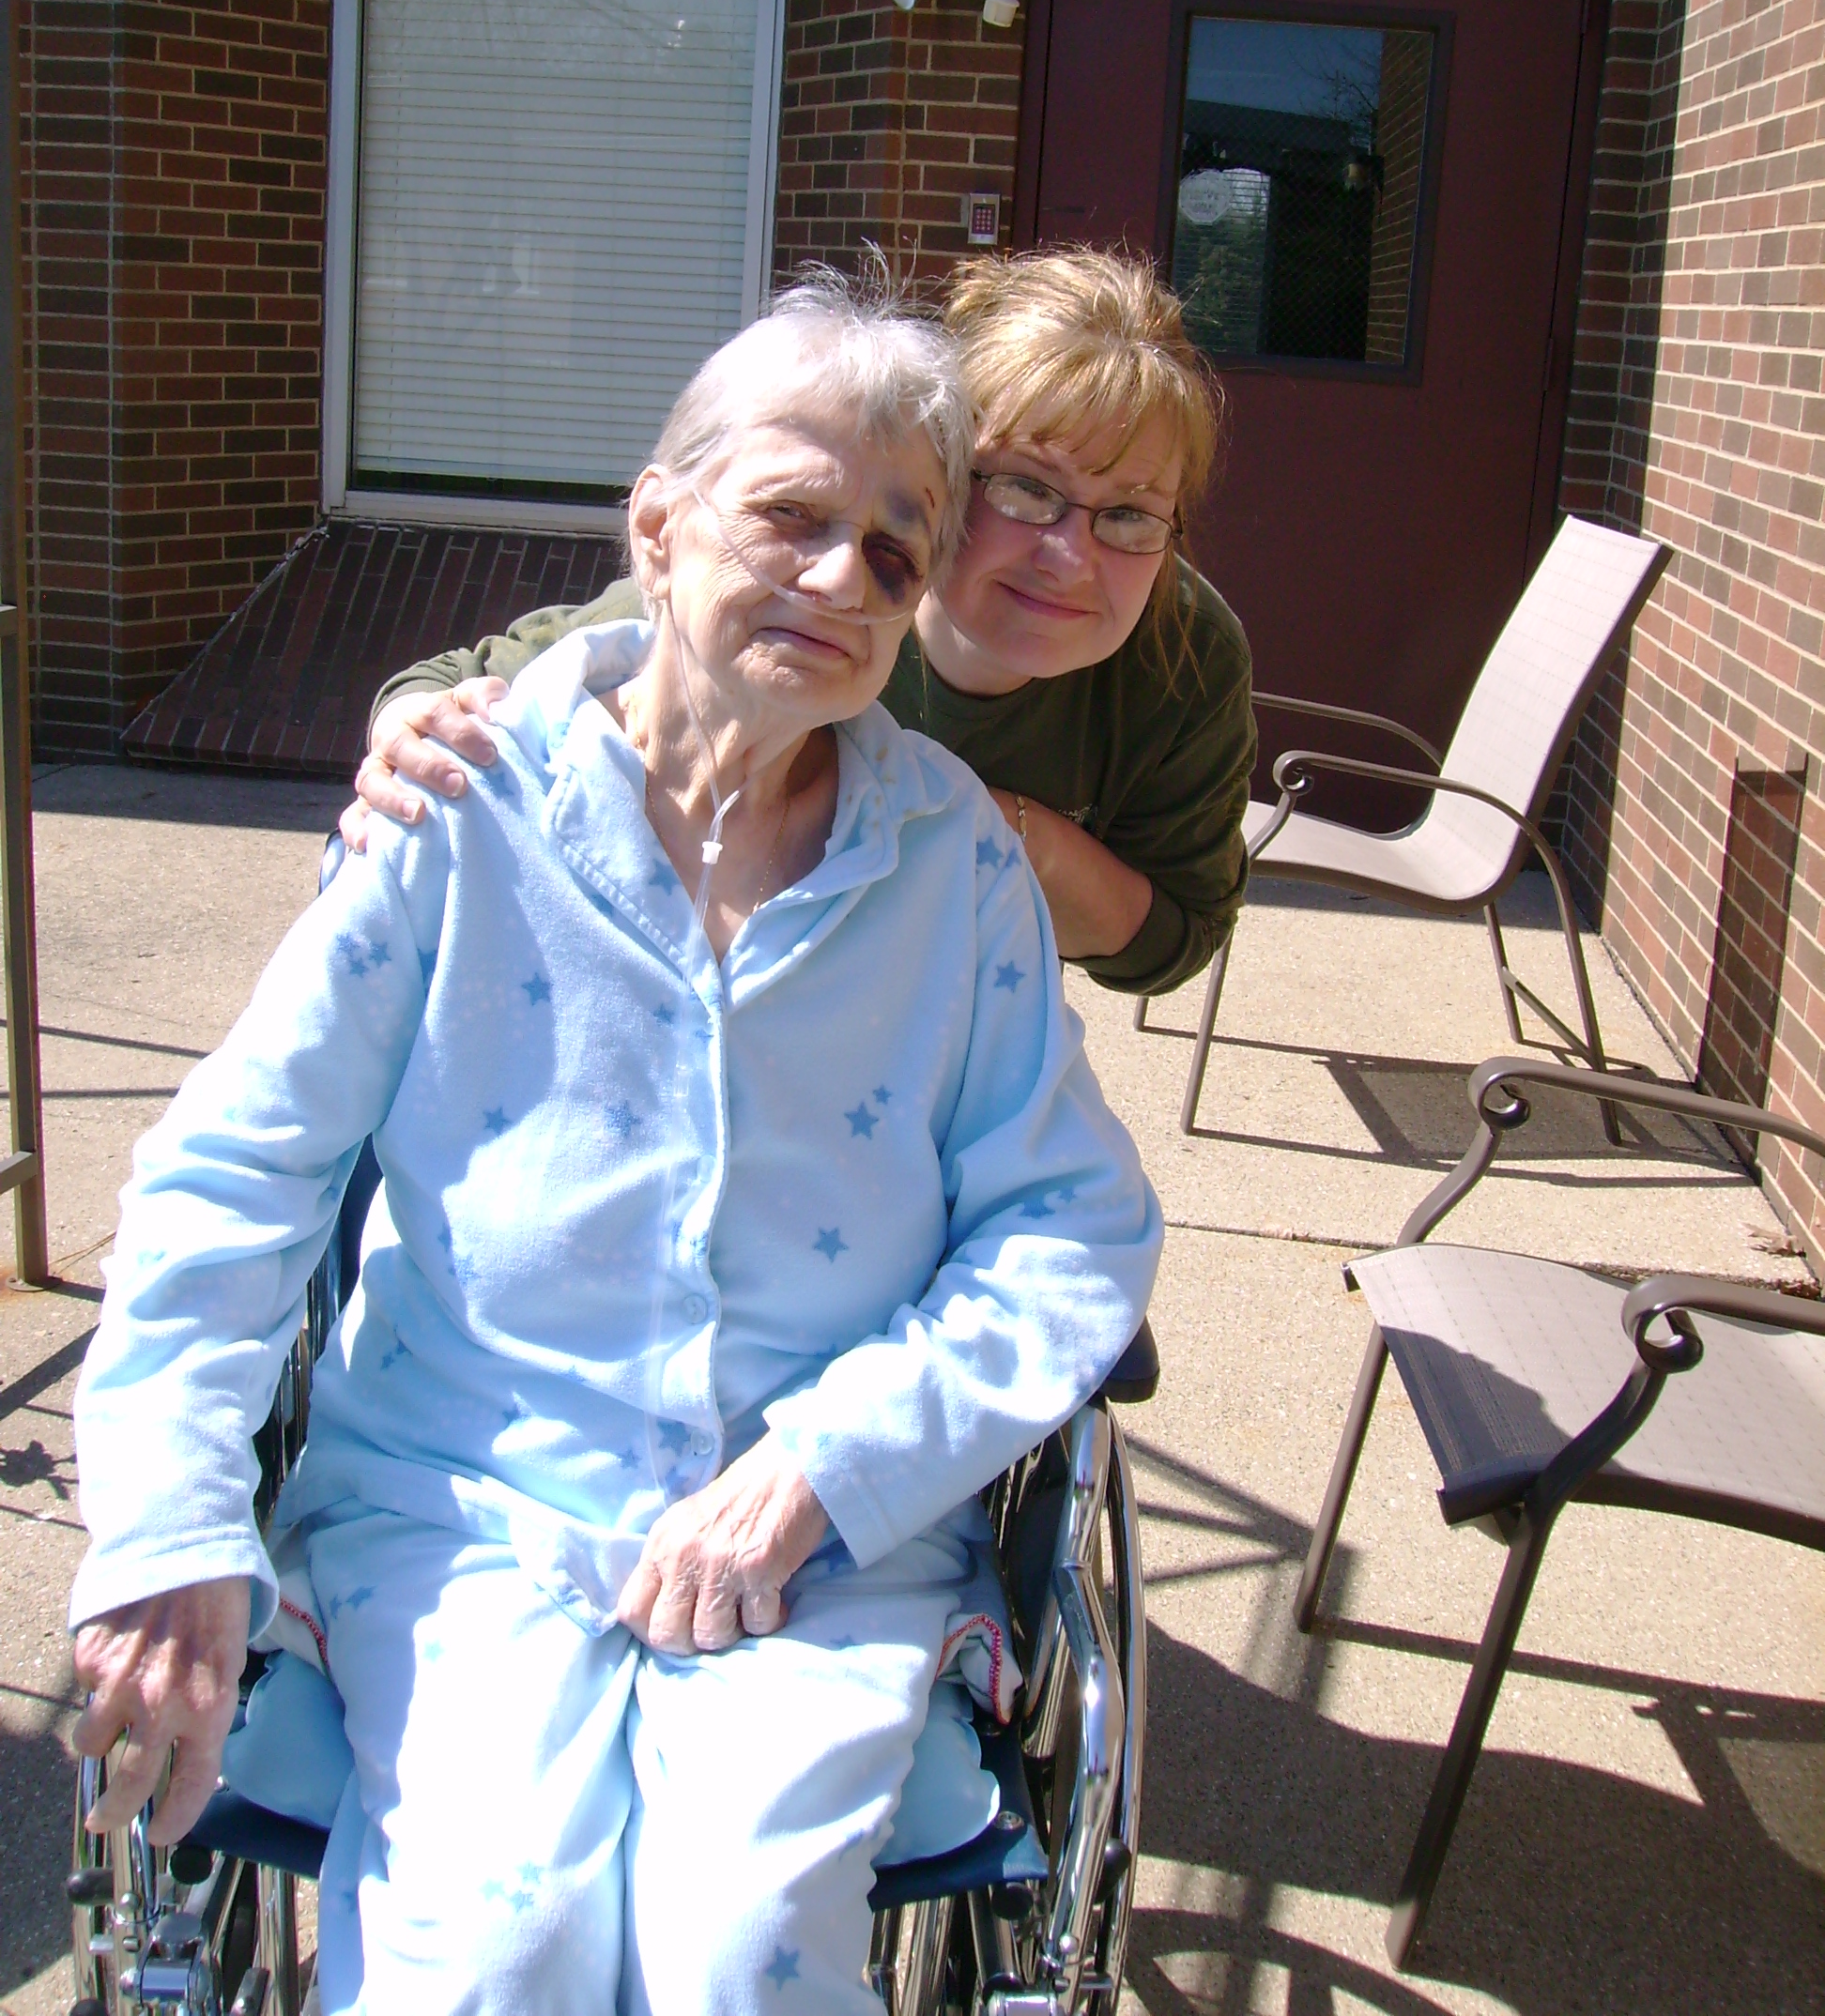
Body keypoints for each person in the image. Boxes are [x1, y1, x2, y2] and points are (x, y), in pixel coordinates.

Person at [69, 276, 1162, 2016]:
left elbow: (1069, 1226)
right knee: (485, 1951)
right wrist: (167, 1518)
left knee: (741, 1958)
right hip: (458, 1496)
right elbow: (233, 1175)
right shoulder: (461, 802)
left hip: (822, 1538)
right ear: (655, 528)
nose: (837, 577)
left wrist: (828, 1465)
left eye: (894, 552)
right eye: (791, 516)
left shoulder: (947, 862)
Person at [351, 248, 1255, 995]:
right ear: (933, 483)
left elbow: (1170, 938)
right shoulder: (814, 609)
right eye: (1026, 487)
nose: (1072, 556)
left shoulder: (1186, 654)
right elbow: (454, 683)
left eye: (1133, 514)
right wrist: (411, 743)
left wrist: (989, 834)